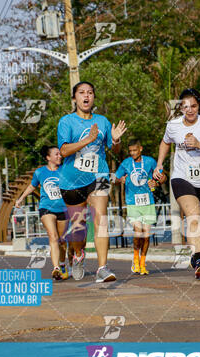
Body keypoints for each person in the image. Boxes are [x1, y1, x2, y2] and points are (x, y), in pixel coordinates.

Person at [57, 81, 127, 282]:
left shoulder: (103, 121)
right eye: (81, 93)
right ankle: (78, 254)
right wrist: (87, 139)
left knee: (101, 218)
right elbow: (63, 151)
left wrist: (115, 141)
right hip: (71, 180)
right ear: (75, 98)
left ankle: (102, 268)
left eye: (89, 93)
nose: (86, 96)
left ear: (93, 97)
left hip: (99, 176)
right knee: (78, 228)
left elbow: (114, 151)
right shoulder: (66, 122)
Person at [154, 88, 200, 279]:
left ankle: (195, 255)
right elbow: (165, 142)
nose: (190, 110)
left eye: (193, 105)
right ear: (181, 108)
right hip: (182, 178)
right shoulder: (173, 125)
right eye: (186, 106)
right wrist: (159, 165)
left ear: (198, 106)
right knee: (193, 216)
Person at [15, 145, 69, 281]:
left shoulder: (65, 170)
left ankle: (62, 264)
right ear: (48, 157)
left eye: (60, 154)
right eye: (56, 154)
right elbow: (32, 186)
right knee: (53, 236)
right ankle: (56, 268)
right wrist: (21, 198)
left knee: (62, 240)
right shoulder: (40, 172)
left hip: (63, 208)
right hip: (46, 208)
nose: (60, 156)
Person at [115, 137, 166, 275]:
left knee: (146, 235)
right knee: (138, 233)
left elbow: (162, 176)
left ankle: (143, 264)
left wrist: (157, 183)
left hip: (148, 202)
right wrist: (121, 179)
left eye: (135, 150)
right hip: (132, 203)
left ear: (140, 149)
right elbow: (114, 178)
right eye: (130, 151)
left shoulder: (150, 161)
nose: (132, 153)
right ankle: (135, 259)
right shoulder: (126, 163)